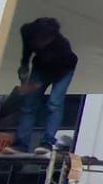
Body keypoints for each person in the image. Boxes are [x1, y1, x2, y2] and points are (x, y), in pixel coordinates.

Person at [16, 17, 79, 153]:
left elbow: (54, 74)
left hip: (63, 69)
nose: (40, 44)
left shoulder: (62, 47)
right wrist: (24, 71)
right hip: (40, 65)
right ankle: (21, 144)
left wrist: (33, 85)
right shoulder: (27, 32)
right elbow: (26, 54)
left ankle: (47, 142)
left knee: (54, 103)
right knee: (28, 105)